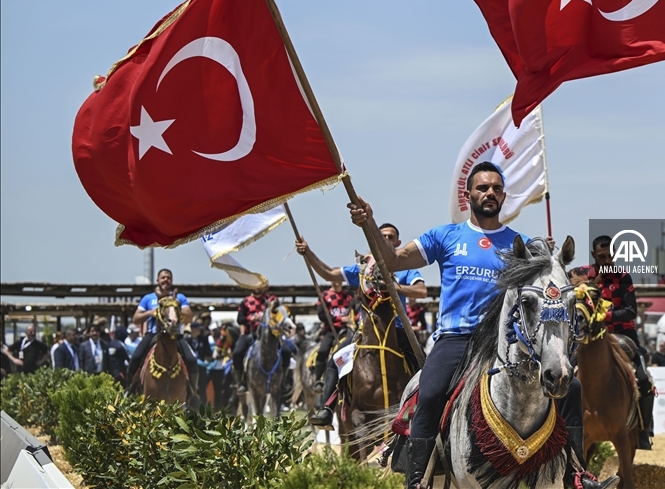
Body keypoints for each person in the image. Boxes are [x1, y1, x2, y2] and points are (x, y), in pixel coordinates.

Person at [338, 162, 614, 489]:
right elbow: (394, 260)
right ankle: (417, 479)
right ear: (468, 194)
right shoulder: (445, 236)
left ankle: (577, 474)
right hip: (456, 338)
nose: (490, 193)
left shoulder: (522, 245)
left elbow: (548, 283)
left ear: (504, 197)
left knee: (572, 388)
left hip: (506, 340)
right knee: (429, 392)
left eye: (496, 188)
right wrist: (369, 223)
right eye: (483, 188)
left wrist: (551, 260)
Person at [297, 222, 427, 426]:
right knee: (335, 360)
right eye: (382, 236)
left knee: (424, 363)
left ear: (398, 242)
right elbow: (329, 273)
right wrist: (308, 253)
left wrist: (394, 287)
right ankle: (327, 408)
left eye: (391, 237)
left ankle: (427, 409)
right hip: (364, 333)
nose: (386, 239)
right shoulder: (362, 269)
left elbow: (421, 291)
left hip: (398, 331)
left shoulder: (406, 268)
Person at [592, 235, 655, 450]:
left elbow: (631, 311)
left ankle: (644, 429)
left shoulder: (624, 277)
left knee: (644, 379)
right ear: (593, 256)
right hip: (593, 338)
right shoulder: (585, 276)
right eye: (602, 257)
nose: (607, 261)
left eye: (610, 256)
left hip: (624, 337)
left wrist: (604, 315)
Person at [126, 269, 199, 405]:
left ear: (172, 281)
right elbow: (136, 319)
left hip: (176, 335)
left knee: (191, 359)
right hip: (153, 334)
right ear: (157, 280)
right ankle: (129, 389)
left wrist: (173, 307)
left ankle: (193, 393)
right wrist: (150, 313)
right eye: (163, 277)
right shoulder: (148, 298)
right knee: (135, 357)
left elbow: (189, 317)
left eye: (168, 278)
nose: (166, 280)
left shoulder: (180, 298)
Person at [233, 283, 296, 394]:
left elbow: (280, 314)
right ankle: (241, 382)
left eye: (260, 285)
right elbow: (240, 319)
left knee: (287, 351)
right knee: (237, 352)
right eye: (255, 285)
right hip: (251, 333)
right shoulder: (246, 301)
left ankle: (283, 380)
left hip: (271, 334)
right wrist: (252, 318)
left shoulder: (272, 300)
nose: (257, 288)